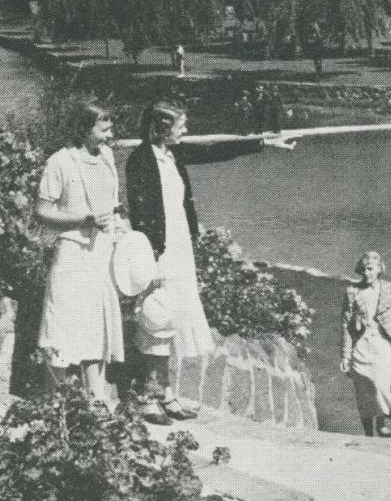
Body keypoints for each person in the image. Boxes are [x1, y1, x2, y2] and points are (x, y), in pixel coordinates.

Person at [126, 102, 296, 418]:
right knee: (155, 314)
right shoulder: (141, 160)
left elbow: (214, 150)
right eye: (180, 126)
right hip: (158, 249)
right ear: (163, 127)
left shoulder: (172, 154)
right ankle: (148, 394)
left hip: (179, 248)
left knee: (173, 315)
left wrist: (263, 143)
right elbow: (139, 213)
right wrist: (150, 255)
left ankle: (164, 392)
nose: (185, 131)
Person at [35, 103, 125, 408]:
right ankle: (53, 399)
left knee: (97, 322)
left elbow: (113, 206)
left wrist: (121, 232)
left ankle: (95, 397)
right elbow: (42, 212)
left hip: (102, 251)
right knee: (60, 320)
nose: (110, 136)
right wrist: (82, 220)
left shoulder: (108, 158)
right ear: (83, 129)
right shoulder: (60, 162)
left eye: (110, 128)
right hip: (72, 251)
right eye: (104, 130)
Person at [340, 252, 391, 437]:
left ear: (380, 269)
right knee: (364, 391)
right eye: (364, 269)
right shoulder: (352, 291)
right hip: (362, 345)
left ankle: (381, 423)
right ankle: (368, 432)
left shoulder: (390, 289)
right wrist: (345, 355)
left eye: (371, 269)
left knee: (381, 385)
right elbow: (346, 325)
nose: (367, 273)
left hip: (384, 344)